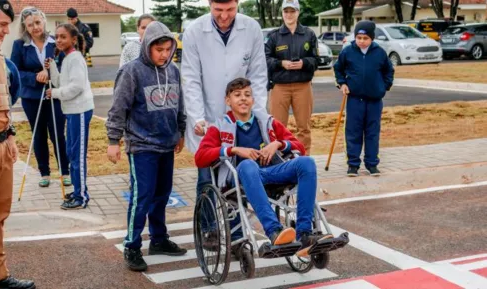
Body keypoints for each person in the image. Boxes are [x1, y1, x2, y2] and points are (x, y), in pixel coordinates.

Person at [195, 78, 333, 257]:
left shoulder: (267, 121)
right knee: (247, 165)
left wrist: (277, 144)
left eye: (247, 95)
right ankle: (274, 231)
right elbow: (200, 158)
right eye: (237, 95)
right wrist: (233, 149)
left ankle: (305, 233)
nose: (243, 99)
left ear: (253, 100)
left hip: (272, 172)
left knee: (307, 163)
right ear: (228, 101)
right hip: (242, 176)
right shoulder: (219, 126)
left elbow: (299, 146)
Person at [181, 0, 268, 254]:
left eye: (230, 10)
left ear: (237, 4)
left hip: (242, 116)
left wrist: (258, 113)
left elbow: (259, 74)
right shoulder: (195, 31)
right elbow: (191, 78)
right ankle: (208, 227)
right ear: (209, 4)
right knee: (207, 176)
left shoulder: (251, 28)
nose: (224, 16)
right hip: (208, 118)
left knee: (236, 178)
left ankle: (237, 234)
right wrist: (197, 117)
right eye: (218, 10)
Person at [106, 21, 187, 272]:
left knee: (162, 195)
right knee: (142, 197)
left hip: (167, 144)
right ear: (147, 47)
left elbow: (179, 104)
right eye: (158, 49)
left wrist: (180, 131)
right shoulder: (132, 71)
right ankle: (132, 245)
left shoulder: (173, 70)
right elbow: (118, 107)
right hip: (141, 146)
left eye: (167, 49)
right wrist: (113, 140)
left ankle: (159, 239)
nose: (163, 54)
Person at [0, 1, 35, 288]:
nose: (8, 30)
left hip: (1, 145)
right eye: (3, 24)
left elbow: (2, 101)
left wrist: (10, 135)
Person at [10, 6, 70, 188]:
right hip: (32, 97)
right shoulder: (19, 45)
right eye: (30, 25)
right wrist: (35, 77)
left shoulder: (56, 41)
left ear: (43, 21)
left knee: (58, 133)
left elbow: (66, 66)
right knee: (39, 134)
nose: (35, 27)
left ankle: (65, 171)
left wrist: (51, 72)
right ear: (25, 27)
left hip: (56, 95)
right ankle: (44, 172)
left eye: (37, 22)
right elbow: (15, 71)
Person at [333, 20, 394, 177]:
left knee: (372, 132)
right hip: (354, 100)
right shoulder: (348, 52)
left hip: (374, 100)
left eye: (365, 38)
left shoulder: (380, 52)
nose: (361, 41)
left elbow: (389, 71)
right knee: (353, 132)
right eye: (359, 38)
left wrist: (384, 87)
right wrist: (342, 83)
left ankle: (372, 164)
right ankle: (353, 164)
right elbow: (338, 68)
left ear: (372, 38)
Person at [45, 23, 95, 209]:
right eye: (56, 37)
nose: (58, 40)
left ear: (73, 39)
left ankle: (81, 196)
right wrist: (52, 68)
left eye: (63, 37)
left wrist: (55, 94)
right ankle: (77, 190)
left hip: (80, 110)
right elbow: (59, 82)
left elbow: (76, 87)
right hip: (72, 111)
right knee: (71, 153)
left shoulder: (75, 59)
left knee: (78, 154)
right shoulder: (66, 59)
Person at [265, 0, 321, 156]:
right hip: (279, 87)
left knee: (303, 127)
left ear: (298, 12)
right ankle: (279, 161)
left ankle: (303, 160)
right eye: (286, 11)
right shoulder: (274, 36)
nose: (289, 15)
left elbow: (316, 60)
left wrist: (304, 63)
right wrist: (281, 63)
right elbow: (265, 59)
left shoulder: (309, 34)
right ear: (282, 13)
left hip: (303, 86)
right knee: (277, 127)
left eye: (292, 11)